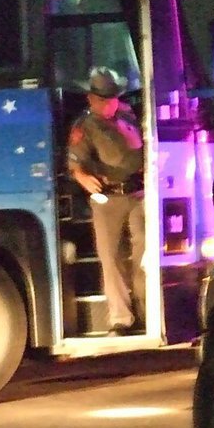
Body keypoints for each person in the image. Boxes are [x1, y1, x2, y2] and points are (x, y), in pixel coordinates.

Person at [67, 67, 145, 336]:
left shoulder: (129, 115)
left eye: (112, 97)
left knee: (143, 254)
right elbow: (75, 164)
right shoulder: (85, 126)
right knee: (111, 259)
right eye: (102, 98)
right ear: (91, 98)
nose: (108, 103)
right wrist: (82, 177)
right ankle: (121, 319)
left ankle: (146, 311)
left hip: (137, 194)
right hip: (108, 197)